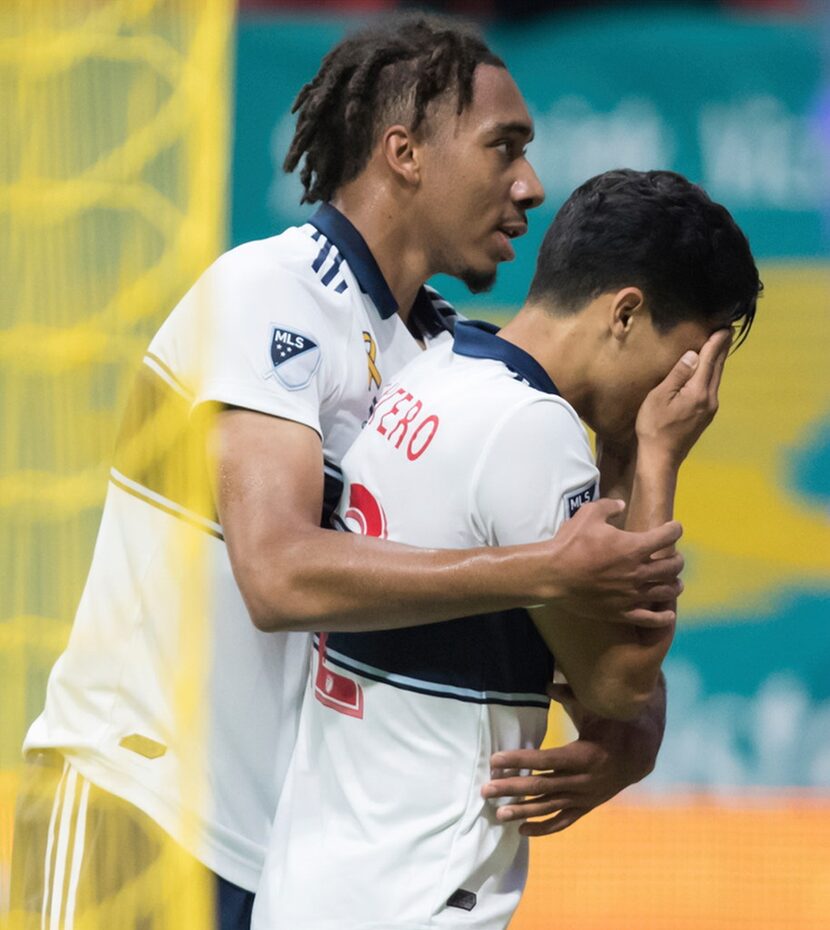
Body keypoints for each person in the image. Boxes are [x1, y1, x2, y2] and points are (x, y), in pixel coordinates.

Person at [10, 18, 682, 930]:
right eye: (504, 149)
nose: (529, 185)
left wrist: (631, 736)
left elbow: (587, 605)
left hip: (286, 865)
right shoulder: (270, 292)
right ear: (404, 153)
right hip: (136, 810)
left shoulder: (450, 360)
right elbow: (277, 573)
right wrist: (540, 571)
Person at [251, 169, 761, 930]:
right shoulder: (530, 431)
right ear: (626, 313)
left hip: (321, 878)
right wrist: (655, 457)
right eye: (687, 362)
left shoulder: (436, 368)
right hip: (414, 899)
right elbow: (619, 683)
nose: (689, 395)